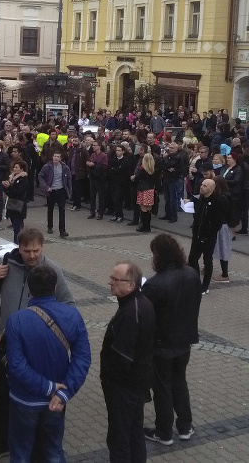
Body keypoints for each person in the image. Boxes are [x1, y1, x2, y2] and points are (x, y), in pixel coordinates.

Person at [0, 228, 74, 461]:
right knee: (3, 398)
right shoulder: (7, 263)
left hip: (38, 349)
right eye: (26, 250)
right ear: (18, 248)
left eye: (36, 250)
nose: (32, 255)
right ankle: (0, 443)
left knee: (37, 402)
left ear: (42, 248)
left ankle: (38, 448)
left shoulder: (51, 270)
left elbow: (68, 304)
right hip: (9, 344)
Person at [4, 265, 91, 463]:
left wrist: (47, 387)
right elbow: (82, 359)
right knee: (53, 451)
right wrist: (63, 392)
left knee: (21, 453)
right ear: (55, 288)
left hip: (25, 400)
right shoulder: (72, 315)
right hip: (57, 401)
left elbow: (17, 366)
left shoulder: (17, 320)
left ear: (29, 289)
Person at [142, 234, 201, 446]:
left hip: (162, 344)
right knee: (179, 382)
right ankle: (185, 426)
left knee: (162, 388)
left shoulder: (154, 284)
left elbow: (146, 317)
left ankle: (164, 431)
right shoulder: (192, 274)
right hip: (184, 341)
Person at [101, 261, 155, 463]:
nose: (110, 282)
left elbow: (122, 358)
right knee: (134, 434)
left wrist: (111, 381)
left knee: (119, 439)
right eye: (111, 278)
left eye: (116, 279)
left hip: (124, 388)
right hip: (136, 384)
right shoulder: (140, 303)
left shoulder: (131, 313)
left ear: (131, 285)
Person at [188, 178, 227, 293]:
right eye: (202, 184)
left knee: (207, 260)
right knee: (192, 259)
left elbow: (217, 222)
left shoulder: (217, 201)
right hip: (197, 234)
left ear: (212, 188)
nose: (201, 187)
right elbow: (198, 214)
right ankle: (195, 281)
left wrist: (209, 234)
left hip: (208, 237)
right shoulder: (201, 198)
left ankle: (205, 286)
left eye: (205, 186)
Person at [38, 152, 72, 238]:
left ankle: (62, 230)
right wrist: (46, 187)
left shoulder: (65, 168)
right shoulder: (47, 167)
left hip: (61, 191)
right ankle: (50, 226)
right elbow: (40, 176)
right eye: (55, 156)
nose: (56, 158)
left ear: (60, 159)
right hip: (51, 191)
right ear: (52, 157)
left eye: (58, 157)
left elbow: (68, 179)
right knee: (50, 209)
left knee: (62, 210)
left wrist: (69, 191)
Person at [3, 160, 30, 243]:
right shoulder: (11, 178)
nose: (14, 169)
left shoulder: (23, 180)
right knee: (14, 225)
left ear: (21, 170)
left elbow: (19, 192)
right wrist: (6, 187)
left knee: (17, 228)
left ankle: (17, 244)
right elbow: (9, 193)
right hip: (11, 205)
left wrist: (9, 187)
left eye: (17, 167)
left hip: (19, 206)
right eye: (14, 167)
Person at [133, 152, 156, 233]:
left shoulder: (143, 170)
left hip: (143, 189)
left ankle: (144, 226)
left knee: (143, 209)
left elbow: (136, 178)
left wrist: (134, 177)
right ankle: (148, 226)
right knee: (148, 209)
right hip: (150, 190)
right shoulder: (153, 169)